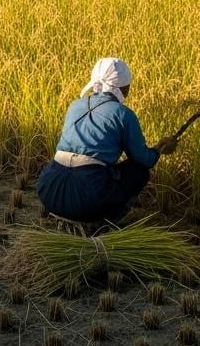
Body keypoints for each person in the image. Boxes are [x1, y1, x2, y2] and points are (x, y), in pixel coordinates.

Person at [36, 58, 177, 226]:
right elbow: (143, 159)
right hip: (89, 199)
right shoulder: (123, 114)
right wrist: (159, 149)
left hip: (49, 190)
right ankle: (105, 222)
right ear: (124, 88)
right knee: (139, 171)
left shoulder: (75, 105)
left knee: (92, 169)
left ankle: (67, 216)